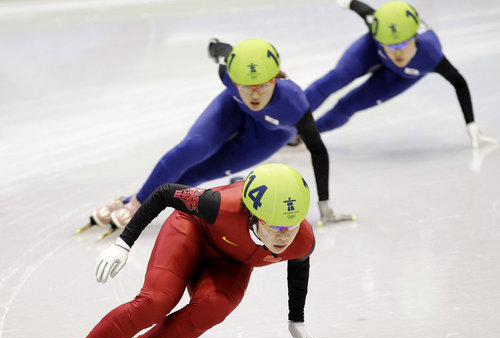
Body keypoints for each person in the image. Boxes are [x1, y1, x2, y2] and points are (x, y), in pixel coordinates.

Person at [25, 163, 326, 338]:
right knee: (156, 302)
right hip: (191, 230)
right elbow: (165, 193)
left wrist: (296, 317)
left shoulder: (302, 240)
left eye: (292, 225)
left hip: (229, 262)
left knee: (215, 307)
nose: (284, 237)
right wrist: (123, 243)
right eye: (274, 226)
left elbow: (299, 264)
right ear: (253, 214)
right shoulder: (218, 205)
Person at [80, 38, 353, 240]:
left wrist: (324, 205)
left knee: (201, 172)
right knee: (194, 148)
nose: (254, 94)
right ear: (235, 81)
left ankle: (128, 200)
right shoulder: (228, 77)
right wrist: (215, 46)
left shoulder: (294, 104)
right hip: (232, 109)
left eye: (262, 86)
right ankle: (137, 202)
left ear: (274, 80)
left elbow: (318, 150)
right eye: (246, 86)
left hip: (269, 134)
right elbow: (223, 54)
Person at [304, 0, 497, 148]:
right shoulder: (376, 26)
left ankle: (304, 136)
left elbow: (459, 83)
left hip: (400, 77)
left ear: (415, 38)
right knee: (335, 79)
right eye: (391, 46)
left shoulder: (431, 55)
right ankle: (291, 117)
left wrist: (470, 122)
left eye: (403, 45)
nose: (397, 52)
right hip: (370, 51)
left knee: (350, 104)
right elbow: (361, 8)